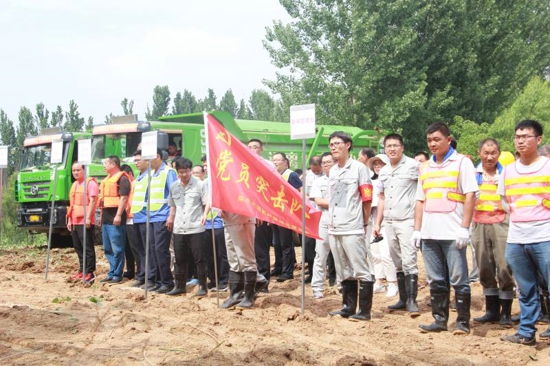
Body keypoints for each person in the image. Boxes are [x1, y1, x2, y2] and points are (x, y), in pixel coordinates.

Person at [412, 122, 478, 335]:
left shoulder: (462, 163)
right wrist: (417, 230)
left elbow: (470, 195)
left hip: (452, 233)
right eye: (429, 140)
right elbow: (420, 200)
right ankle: (439, 320)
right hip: (429, 234)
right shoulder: (424, 167)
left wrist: (464, 228)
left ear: (448, 140)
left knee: (459, 278)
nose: (432, 144)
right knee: (436, 279)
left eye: (437, 139)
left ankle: (462, 322)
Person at [499, 120, 550, 345]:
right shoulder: (509, 170)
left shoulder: (547, 166)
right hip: (517, 237)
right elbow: (503, 199)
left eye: (526, 136)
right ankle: (526, 332)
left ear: (538, 140)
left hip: (545, 235)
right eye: (517, 136)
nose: (520, 140)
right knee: (526, 288)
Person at [327, 131, 375, 321]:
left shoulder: (359, 168)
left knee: (360, 268)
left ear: (348, 145)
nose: (333, 147)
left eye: (337, 143)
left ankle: (364, 311)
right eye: (331, 144)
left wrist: (364, 222)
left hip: (353, 226)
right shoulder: (332, 170)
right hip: (334, 225)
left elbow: (367, 198)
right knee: (343, 269)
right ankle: (348, 307)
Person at [373, 134, 421, 317]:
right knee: (397, 260)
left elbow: (421, 194)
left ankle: (412, 300)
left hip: (407, 220)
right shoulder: (384, 171)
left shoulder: (413, 166)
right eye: (388, 146)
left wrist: (418, 225)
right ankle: (402, 298)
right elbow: (382, 197)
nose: (392, 149)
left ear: (402, 147)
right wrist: (378, 223)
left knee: (409, 259)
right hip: (390, 221)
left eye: (395, 145)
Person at [471, 138, 514, 327]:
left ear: (499, 153)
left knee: (504, 267)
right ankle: (491, 311)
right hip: (479, 223)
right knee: (484, 267)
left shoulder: (507, 174)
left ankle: (506, 312)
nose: (489, 157)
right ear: (479, 153)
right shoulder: (473, 174)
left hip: (502, 223)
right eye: (486, 153)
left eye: (493, 153)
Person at [166, 157, 210, 296]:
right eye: (180, 172)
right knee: (179, 258)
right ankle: (179, 286)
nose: (183, 175)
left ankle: (203, 287)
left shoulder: (199, 185)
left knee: (200, 258)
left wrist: (205, 216)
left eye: (186, 171)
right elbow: (173, 204)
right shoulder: (174, 186)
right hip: (179, 227)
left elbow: (205, 203)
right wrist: (171, 217)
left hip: (196, 226)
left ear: (190, 171)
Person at [367, 154, 398, 298]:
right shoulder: (371, 182)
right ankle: (379, 281)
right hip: (373, 219)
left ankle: (393, 282)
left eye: (380, 163)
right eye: (375, 164)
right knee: (375, 253)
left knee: (386, 253)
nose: (377, 166)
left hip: (387, 219)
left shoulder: (391, 180)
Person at [98, 155, 131, 284]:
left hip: (115, 219)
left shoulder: (122, 179)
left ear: (113, 165)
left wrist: (118, 215)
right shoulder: (107, 179)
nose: (104, 166)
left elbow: (123, 198)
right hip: (106, 219)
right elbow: (103, 201)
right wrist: (101, 217)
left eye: (106, 163)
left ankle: (118, 274)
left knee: (117, 248)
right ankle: (111, 272)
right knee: (108, 248)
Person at [271, 152, 302, 282]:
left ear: (285, 162)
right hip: (274, 214)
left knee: (286, 244)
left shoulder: (291, 175)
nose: (275, 162)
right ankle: (278, 266)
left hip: (286, 215)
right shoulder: (272, 175)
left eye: (278, 160)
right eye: (273, 160)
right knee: (276, 243)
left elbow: (299, 194)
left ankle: (287, 271)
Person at [247, 139, 274, 291]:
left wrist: (266, 213)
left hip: (261, 213)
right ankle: (251, 280)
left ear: (262, 149)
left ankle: (263, 281)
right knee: (247, 250)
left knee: (260, 249)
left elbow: (271, 191)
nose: (252, 149)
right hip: (245, 212)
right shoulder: (241, 164)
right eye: (249, 147)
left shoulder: (268, 165)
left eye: (255, 147)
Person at [309, 152, 336, 299]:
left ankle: (341, 284)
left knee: (341, 256)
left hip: (341, 221)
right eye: (324, 163)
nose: (326, 165)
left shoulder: (342, 178)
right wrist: (339, 202)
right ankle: (317, 287)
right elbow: (319, 201)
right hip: (324, 222)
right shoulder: (318, 181)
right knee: (320, 255)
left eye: (329, 162)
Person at [67, 162, 98, 284]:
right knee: (78, 247)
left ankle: (90, 272)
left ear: (84, 170)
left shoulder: (90, 183)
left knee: (87, 247)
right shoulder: (74, 184)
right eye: (74, 170)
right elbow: (72, 204)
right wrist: (70, 219)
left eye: (78, 170)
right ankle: (82, 270)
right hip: (75, 221)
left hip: (85, 221)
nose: (75, 172)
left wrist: (88, 217)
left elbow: (93, 200)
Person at [304, 155, 324, 283]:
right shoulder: (309, 175)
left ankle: (330, 276)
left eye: (317, 170)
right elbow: (305, 192)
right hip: (310, 215)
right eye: (313, 170)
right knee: (308, 245)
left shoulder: (328, 176)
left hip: (324, 214)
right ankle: (312, 273)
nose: (315, 172)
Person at [121, 164, 139, 280]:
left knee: (135, 247)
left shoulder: (136, 184)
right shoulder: (127, 185)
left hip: (134, 218)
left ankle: (141, 271)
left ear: (130, 175)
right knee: (127, 247)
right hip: (126, 218)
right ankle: (131, 270)